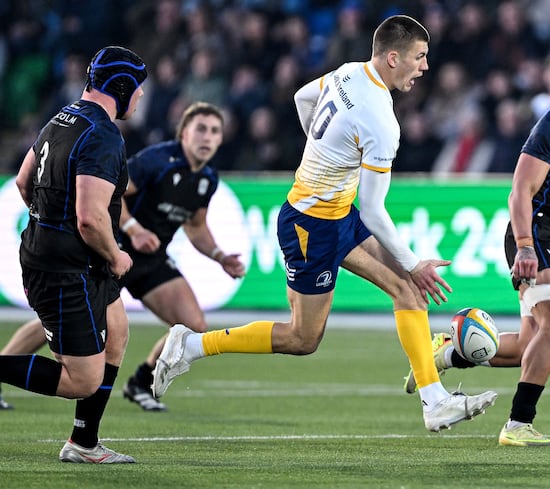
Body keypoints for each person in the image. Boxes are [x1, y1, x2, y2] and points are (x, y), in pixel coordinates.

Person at [152, 15, 497, 432]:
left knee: (408, 291)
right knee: (302, 338)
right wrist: (414, 260)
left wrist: (323, 150)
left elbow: (302, 98)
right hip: (311, 227)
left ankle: (434, 401)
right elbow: (373, 210)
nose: (425, 66)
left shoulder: (351, 71)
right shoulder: (382, 122)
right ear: (393, 58)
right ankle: (190, 345)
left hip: (333, 214)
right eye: (419, 57)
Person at [404, 43, 550, 446]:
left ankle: (446, 352)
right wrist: (527, 246)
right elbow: (520, 191)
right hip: (536, 230)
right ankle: (518, 425)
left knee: (529, 345)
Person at [0, 101, 245, 413]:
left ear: (222, 139)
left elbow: (196, 226)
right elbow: (111, 195)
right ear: (183, 133)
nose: (207, 137)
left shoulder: (208, 178)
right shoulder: (156, 160)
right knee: (53, 326)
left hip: (151, 261)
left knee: (192, 324)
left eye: (214, 131)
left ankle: (140, 382)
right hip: (111, 251)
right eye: (200, 129)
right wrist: (134, 228)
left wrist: (220, 256)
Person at [0, 46, 147, 463]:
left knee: (116, 332)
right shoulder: (103, 134)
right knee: (82, 380)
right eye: (138, 90)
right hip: (67, 266)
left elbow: (24, 181)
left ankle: (83, 444)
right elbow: (88, 218)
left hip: (67, 258)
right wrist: (116, 256)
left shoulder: (61, 118)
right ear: (123, 88)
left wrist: (49, 223)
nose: (139, 98)